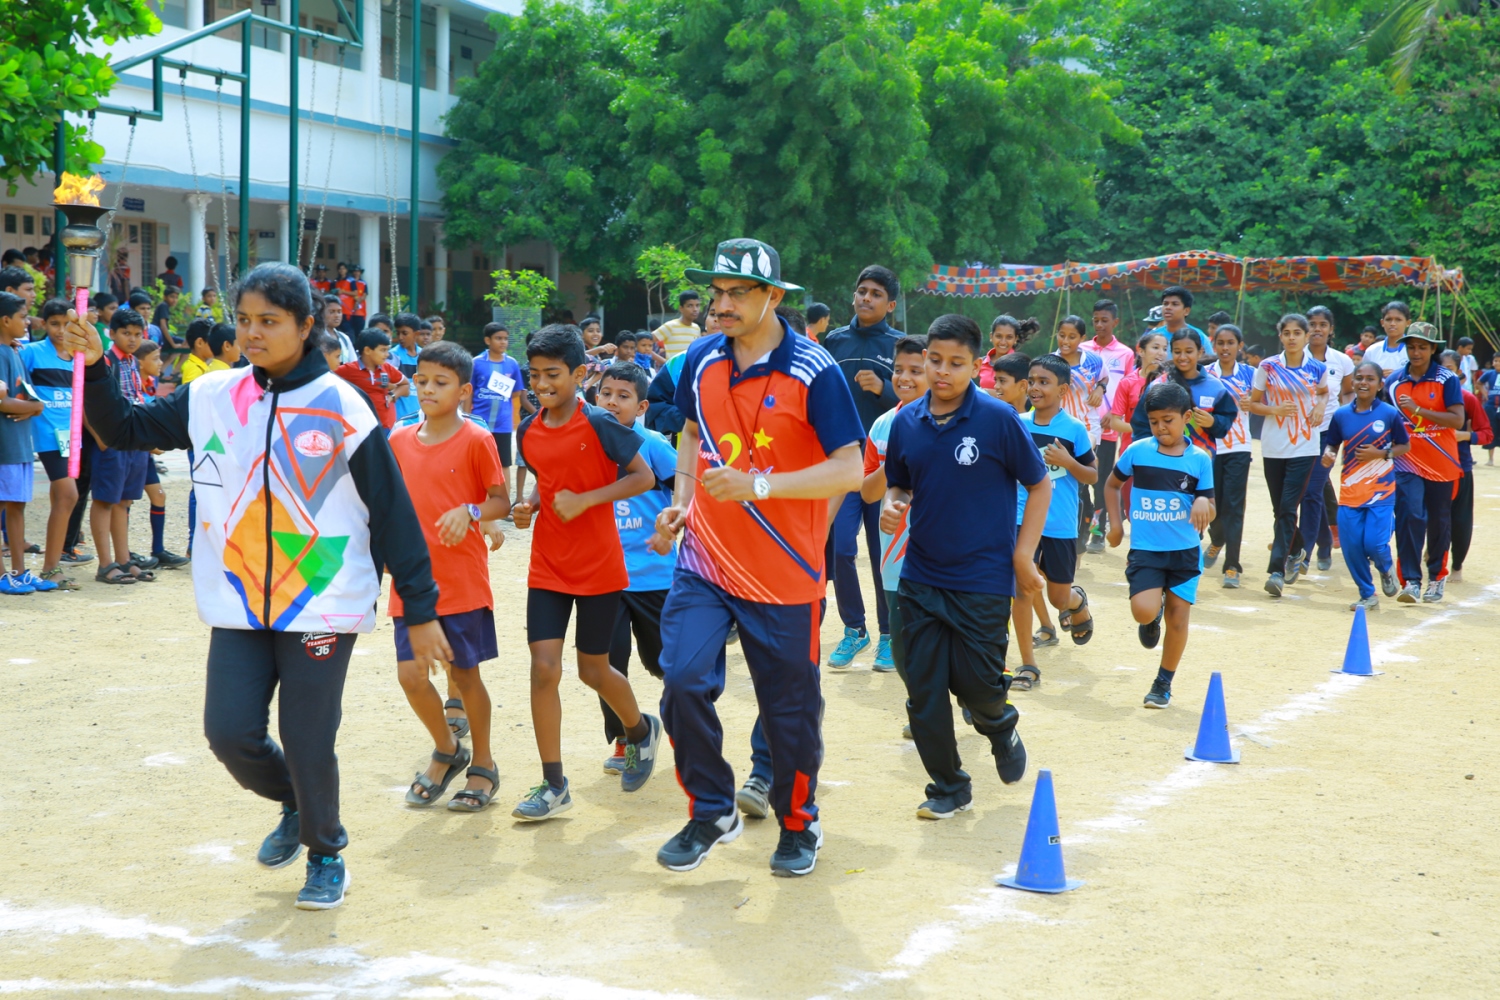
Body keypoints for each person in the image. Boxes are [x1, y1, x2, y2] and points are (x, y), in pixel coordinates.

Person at [68, 261, 445, 909]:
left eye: (269, 321)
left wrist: (423, 609)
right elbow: (122, 429)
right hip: (239, 598)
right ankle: (295, 804)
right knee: (230, 733)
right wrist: (98, 367)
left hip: (322, 598)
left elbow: (392, 512)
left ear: (305, 326)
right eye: (244, 321)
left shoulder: (341, 406)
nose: (253, 333)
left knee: (306, 735)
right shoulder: (213, 395)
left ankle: (325, 852)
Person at [649, 238, 863, 876]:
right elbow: (692, 432)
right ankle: (712, 809)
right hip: (705, 559)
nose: (722, 304)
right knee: (682, 680)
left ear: (774, 297)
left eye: (737, 293)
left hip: (785, 570)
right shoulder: (700, 360)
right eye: (716, 292)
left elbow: (850, 467)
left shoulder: (814, 370)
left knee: (787, 708)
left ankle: (800, 823)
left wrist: (759, 486)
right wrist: (684, 501)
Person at [882, 313, 1042, 819]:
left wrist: (1022, 555)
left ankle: (999, 723)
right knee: (922, 691)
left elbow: (1040, 484)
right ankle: (949, 787)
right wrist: (893, 501)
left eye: (956, 363)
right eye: (935, 360)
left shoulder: (997, 420)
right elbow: (900, 481)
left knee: (977, 687)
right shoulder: (907, 421)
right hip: (921, 577)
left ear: (978, 366)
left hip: (982, 580)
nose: (942, 372)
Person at [511, 324, 664, 821]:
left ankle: (640, 730)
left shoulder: (601, 423)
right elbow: (548, 478)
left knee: (592, 669)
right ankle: (554, 783)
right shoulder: (528, 431)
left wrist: (588, 500)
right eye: (534, 375)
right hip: (548, 566)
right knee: (543, 670)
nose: (542, 384)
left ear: (579, 374)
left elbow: (642, 476)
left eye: (552, 374)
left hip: (599, 566)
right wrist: (529, 505)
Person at [390, 341, 510, 811]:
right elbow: (389, 504)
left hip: (461, 580)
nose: (427, 389)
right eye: (422, 380)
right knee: (410, 676)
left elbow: (498, 500)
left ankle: (483, 763)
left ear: (463, 391)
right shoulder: (397, 440)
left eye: (441, 382)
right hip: (412, 582)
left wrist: (473, 510)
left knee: (465, 674)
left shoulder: (477, 440)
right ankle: (446, 747)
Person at [1105, 382, 1216, 708]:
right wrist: (1115, 524)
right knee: (1143, 611)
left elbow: (1210, 504)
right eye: (1154, 421)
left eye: (1168, 420)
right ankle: (1153, 616)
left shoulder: (1200, 459)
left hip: (1184, 553)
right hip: (1146, 550)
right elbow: (1112, 486)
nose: (1160, 427)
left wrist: (1202, 503)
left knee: (1179, 618)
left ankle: (1163, 682)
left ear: (1186, 418)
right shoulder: (1138, 450)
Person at [593, 362, 679, 772]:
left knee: (667, 662)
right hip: (603, 575)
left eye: (623, 396)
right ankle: (628, 735)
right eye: (606, 393)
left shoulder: (653, 444)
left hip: (654, 575)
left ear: (641, 405)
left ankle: (684, 723)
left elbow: (687, 484)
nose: (612, 402)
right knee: (606, 663)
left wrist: (671, 524)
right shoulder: (587, 444)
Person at [823, 264, 902, 669]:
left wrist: (883, 389)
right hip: (842, 462)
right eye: (861, 290)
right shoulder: (833, 341)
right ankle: (855, 629)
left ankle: (890, 635)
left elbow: (914, 399)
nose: (866, 298)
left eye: (875, 294)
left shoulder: (899, 345)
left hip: (885, 467)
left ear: (890, 304)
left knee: (881, 551)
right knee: (839, 549)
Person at [1009, 354, 1097, 691]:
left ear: (1062, 389)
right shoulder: (1018, 422)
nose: (1034, 388)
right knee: (1022, 589)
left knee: (1059, 598)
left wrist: (1067, 461)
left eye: (1043, 382)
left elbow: (1092, 474)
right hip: (1020, 517)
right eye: (1031, 381)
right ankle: (1028, 664)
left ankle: (1076, 601)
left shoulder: (1074, 429)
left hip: (1059, 523)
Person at [859, 335, 929, 714]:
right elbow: (868, 493)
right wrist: (897, 460)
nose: (904, 378)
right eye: (898, 370)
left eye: (915, 371)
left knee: (951, 640)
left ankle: (961, 701)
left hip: (947, 555)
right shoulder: (883, 426)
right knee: (904, 647)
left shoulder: (953, 422)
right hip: (896, 561)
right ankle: (923, 705)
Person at [1244, 314, 1330, 598]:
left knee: (1287, 508)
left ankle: (1276, 571)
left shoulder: (1317, 368)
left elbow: (1323, 393)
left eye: (1297, 332)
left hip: (1305, 446)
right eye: (1286, 333)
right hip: (1273, 446)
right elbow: (1253, 404)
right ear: (1280, 336)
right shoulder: (1268, 366)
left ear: (1307, 336)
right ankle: (1297, 548)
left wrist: (1319, 407)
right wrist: (1274, 410)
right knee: (1279, 508)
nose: (1292, 337)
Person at [1385, 323, 1464, 603]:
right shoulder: (1393, 381)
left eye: (1422, 346)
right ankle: (1411, 580)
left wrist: (1418, 411)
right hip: (1406, 461)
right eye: (1411, 346)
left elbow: (1456, 420)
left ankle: (1436, 577)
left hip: (1442, 461)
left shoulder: (1446, 379)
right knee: (1409, 516)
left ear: (1433, 349)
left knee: (1439, 521)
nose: (1415, 352)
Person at [1321, 361, 1409, 610]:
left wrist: (1380, 453)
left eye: (1370, 379)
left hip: (1381, 492)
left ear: (1380, 384)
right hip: (1350, 493)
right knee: (1351, 547)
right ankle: (1367, 594)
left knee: (1374, 543)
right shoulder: (1341, 415)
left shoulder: (1389, 414)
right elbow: (1332, 444)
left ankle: (1385, 567)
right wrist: (1328, 454)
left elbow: (1405, 446)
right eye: (1359, 378)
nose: (1363, 382)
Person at [21, 299, 89, 589]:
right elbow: (15, 385)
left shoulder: (79, 358)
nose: (61, 330)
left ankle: (53, 563)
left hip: (71, 438)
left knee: (60, 498)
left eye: (66, 324)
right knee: (68, 496)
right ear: (44, 324)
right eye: (54, 324)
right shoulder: (30, 353)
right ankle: (50, 568)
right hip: (47, 435)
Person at [89, 309, 155, 585]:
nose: (132, 339)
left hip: (132, 438)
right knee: (105, 500)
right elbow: (87, 400)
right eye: (126, 333)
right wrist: (100, 438)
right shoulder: (104, 361)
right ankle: (105, 564)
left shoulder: (131, 362)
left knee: (124, 501)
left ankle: (124, 559)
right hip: (111, 440)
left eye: (137, 334)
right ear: (112, 333)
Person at [1296, 305, 1357, 573]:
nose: (1317, 329)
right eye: (1312, 323)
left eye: (1322, 324)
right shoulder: (1293, 358)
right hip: (1298, 435)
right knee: (1312, 490)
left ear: (1331, 329)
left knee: (1312, 489)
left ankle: (1304, 553)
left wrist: (1351, 427)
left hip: (1329, 436)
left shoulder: (1342, 361)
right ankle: (1323, 542)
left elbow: (1347, 396)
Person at [0, 291, 50, 595]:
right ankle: (3, 575)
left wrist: (32, 405)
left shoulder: (15, 350)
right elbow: (3, 401)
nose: (27, 321)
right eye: (21, 316)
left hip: (19, 446)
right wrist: (36, 407)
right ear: (5, 320)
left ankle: (19, 571)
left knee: (17, 506)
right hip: (5, 447)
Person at [1080, 299, 1135, 552]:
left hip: (1109, 426)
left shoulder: (1125, 353)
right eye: (1096, 320)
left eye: (1105, 320)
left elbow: (1126, 388)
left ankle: (1098, 530)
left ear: (1115, 322)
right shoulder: (1082, 348)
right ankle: (1083, 522)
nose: (1100, 325)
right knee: (1079, 475)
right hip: (1081, 424)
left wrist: (1113, 414)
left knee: (1101, 478)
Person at [1203, 323, 1255, 588]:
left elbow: (1263, 401)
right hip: (1210, 448)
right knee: (1214, 507)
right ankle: (1217, 539)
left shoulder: (1250, 374)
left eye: (1230, 343)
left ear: (1239, 346)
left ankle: (1232, 566)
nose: (1225, 348)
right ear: (1214, 345)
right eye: (1220, 343)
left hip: (1239, 448)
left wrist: (1254, 404)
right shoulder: (1204, 374)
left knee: (1234, 507)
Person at [1438, 350, 1492, 583]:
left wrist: (1463, 436)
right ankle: (1433, 556)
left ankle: (1457, 564)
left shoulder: (1467, 399)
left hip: (1460, 468)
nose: (1444, 374)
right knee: (1429, 517)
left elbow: (1487, 434)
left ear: (1459, 372)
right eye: (1440, 370)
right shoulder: (1424, 399)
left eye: (1449, 369)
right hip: (1429, 468)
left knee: (1459, 519)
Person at [470, 322, 523, 473]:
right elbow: (469, 392)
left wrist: (499, 395)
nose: (503, 342)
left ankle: (504, 496)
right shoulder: (476, 363)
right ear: (488, 340)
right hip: (479, 421)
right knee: (477, 463)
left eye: (505, 338)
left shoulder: (512, 363)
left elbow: (517, 391)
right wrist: (467, 417)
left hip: (503, 423)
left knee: (503, 463)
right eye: (498, 338)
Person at [335, 329, 409, 431]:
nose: (387, 354)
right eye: (383, 350)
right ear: (367, 350)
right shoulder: (349, 369)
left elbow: (406, 385)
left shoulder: (387, 368)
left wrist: (392, 395)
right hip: (360, 427)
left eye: (387, 350)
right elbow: (329, 380)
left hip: (384, 426)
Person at [977, 315, 1038, 393]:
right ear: (991, 337)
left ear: (1015, 339)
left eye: (1009, 337)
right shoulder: (981, 362)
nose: (1003, 342)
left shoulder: (1021, 366)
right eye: (999, 336)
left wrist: (987, 393)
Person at [1146, 285, 1212, 355]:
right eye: (1165, 304)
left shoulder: (1199, 336)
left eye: (1175, 304)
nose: (1168, 307)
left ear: (1186, 311)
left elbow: (1210, 363)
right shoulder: (1153, 336)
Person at [388, 314, 423, 424]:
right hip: (400, 419)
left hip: (421, 417)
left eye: (404, 333)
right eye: (398, 333)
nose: (400, 337)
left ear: (416, 334)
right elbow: (389, 385)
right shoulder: (393, 356)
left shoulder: (425, 355)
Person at [1362, 301, 1411, 376]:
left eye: (1398, 320)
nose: (1392, 324)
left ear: (1408, 323)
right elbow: (1363, 376)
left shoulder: (1413, 350)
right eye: (1388, 319)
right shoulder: (1372, 351)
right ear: (1382, 323)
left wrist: (1397, 375)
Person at [653, 290, 702, 360]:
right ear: (681, 308)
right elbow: (645, 341)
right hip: (673, 370)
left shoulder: (696, 328)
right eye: (690, 306)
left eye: (697, 305)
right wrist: (665, 363)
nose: (695, 309)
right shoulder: (670, 326)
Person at [1479, 352, 1500, 466]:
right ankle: (1490, 458)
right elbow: (1479, 383)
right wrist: (1485, 393)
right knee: (1492, 430)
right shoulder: (1490, 374)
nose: (1497, 363)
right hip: (1491, 406)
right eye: (1496, 361)